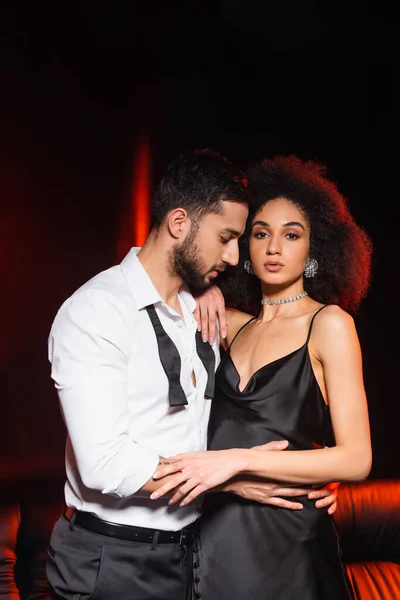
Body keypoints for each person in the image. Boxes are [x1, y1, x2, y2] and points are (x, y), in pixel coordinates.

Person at [45, 149, 337, 600]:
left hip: (194, 557)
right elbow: (104, 463)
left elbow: (235, 415)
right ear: (179, 224)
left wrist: (305, 471)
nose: (236, 254)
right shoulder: (97, 310)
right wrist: (234, 475)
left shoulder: (198, 309)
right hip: (112, 558)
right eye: (226, 237)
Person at [151, 154, 373, 599]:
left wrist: (239, 459)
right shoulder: (227, 323)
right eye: (260, 233)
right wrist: (205, 286)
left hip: (291, 543)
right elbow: (158, 270)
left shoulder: (329, 324)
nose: (274, 248)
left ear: (315, 250)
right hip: (216, 541)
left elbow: (356, 459)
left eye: (292, 235)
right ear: (244, 248)